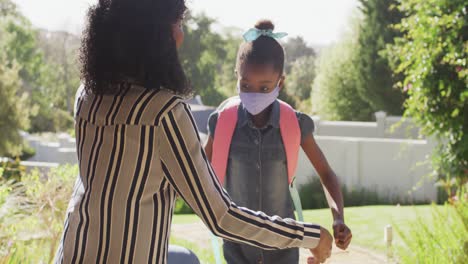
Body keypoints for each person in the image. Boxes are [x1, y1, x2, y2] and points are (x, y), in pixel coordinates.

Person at [54, 1, 333, 264]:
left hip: (72, 251)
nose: (180, 35)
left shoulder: (88, 95)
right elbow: (221, 216)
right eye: (176, 23)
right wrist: (308, 236)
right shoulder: (163, 111)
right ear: (150, 33)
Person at [204, 20, 352, 264]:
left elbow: (326, 173)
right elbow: (197, 175)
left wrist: (338, 218)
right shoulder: (222, 123)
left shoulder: (295, 124)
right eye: (246, 85)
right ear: (237, 77)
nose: (253, 93)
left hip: (285, 248)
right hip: (237, 249)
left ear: (280, 83)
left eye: (264, 88)